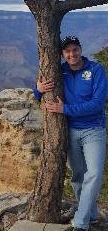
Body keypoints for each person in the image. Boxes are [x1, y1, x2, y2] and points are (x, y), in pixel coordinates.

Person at [33, 36, 107, 231]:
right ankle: (91, 215)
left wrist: (65, 109)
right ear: (62, 54)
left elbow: (98, 103)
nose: (72, 54)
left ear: (80, 50)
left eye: (75, 49)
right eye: (67, 51)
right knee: (78, 176)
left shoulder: (96, 70)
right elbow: (42, 94)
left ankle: (80, 223)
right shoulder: (60, 71)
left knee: (95, 173)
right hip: (70, 131)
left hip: (93, 130)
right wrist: (38, 90)